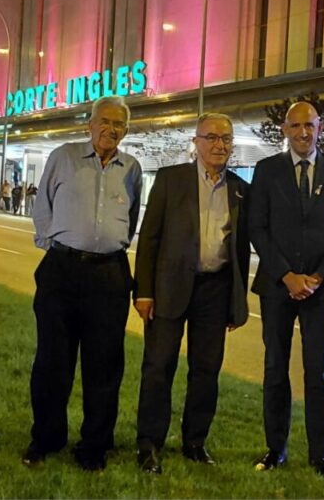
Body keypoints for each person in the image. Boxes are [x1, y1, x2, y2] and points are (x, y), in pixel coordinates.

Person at [23, 96, 142, 472]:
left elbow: (132, 216)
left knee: (104, 366)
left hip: (109, 275)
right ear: (89, 124)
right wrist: (52, 245)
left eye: (119, 125)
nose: (111, 130)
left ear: (125, 130)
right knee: (52, 362)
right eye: (105, 121)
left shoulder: (132, 168)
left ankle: (94, 445)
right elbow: (43, 204)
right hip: (62, 270)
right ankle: (46, 438)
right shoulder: (63, 156)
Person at [133, 113, 251, 475]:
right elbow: (149, 239)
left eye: (226, 139)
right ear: (196, 142)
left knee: (206, 371)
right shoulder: (171, 180)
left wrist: (236, 301)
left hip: (214, 291)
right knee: (158, 367)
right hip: (169, 287)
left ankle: (195, 442)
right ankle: (149, 445)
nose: (220, 145)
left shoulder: (240, 188)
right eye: (212, 138)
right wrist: (144, 291)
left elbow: (241, 250)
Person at [248, 101, 324, 479]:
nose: (302, 133)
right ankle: (275, 450)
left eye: (309, 125)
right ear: (285, 129)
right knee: (276, 369)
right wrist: (287, 275)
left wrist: (318, 277)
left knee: (318, 374)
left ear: (320, 127)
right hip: (277, 288)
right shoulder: (266, 171)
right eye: (295, 126)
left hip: (322, 291)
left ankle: (319, 456)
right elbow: (257, 228)